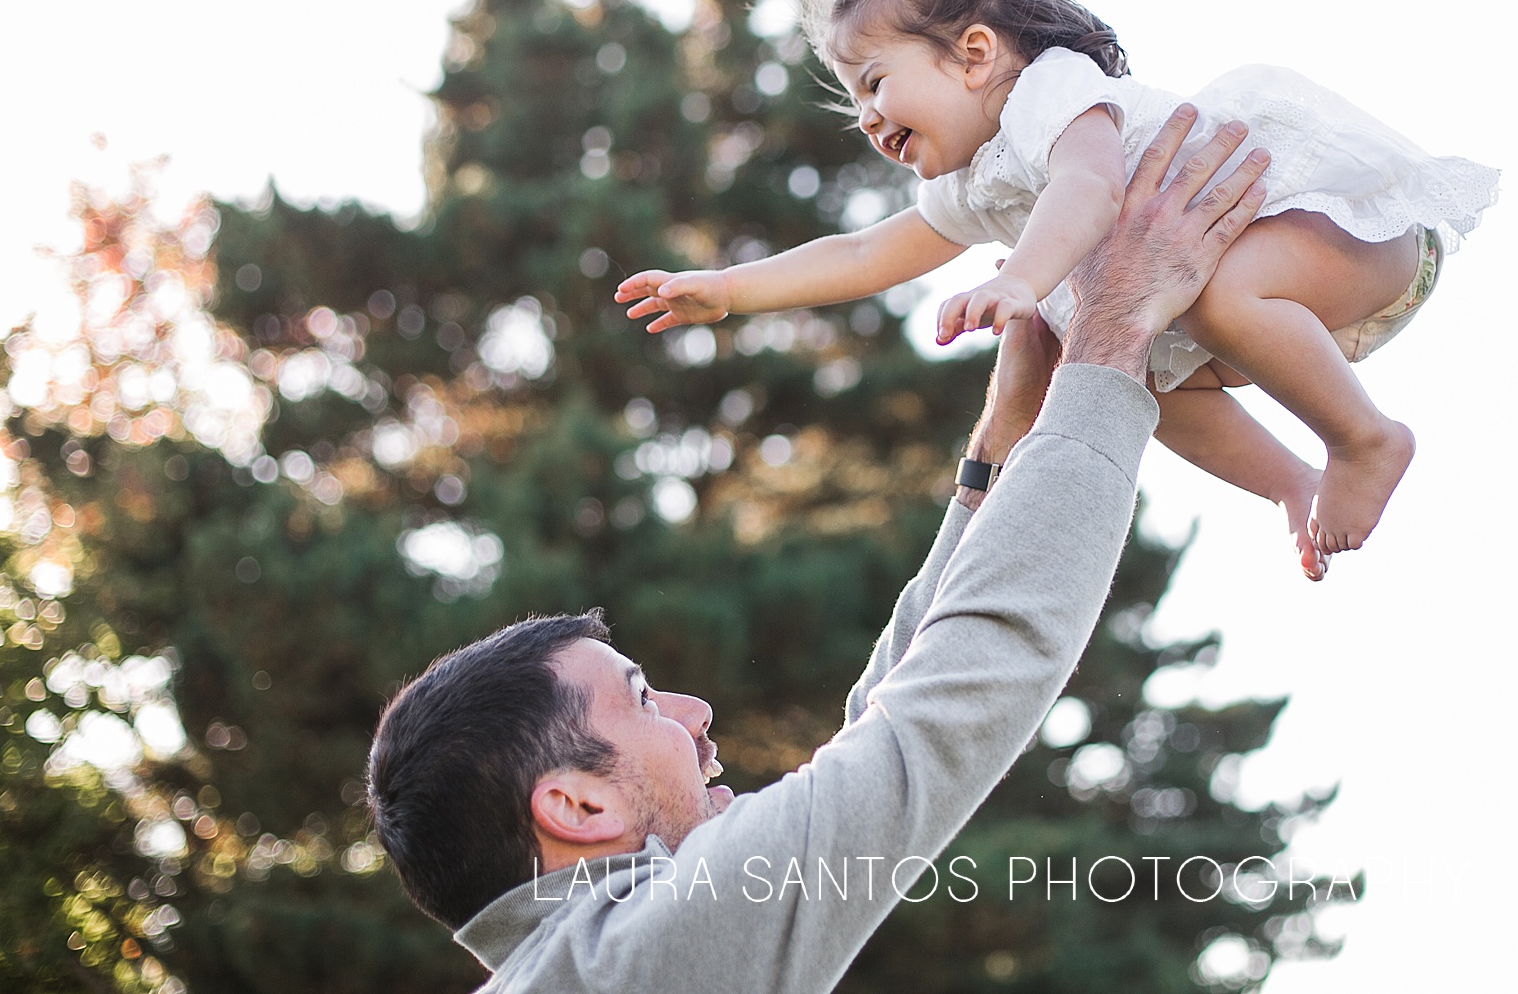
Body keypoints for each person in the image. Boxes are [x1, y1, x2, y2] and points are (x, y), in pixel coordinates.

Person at [366, 109, 1271, 992]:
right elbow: (947, 707)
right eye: (641, 698)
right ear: (576, 805)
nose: (696, 712)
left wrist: (995, 457)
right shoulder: (643, 951)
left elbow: (878, 732)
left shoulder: (605, 959)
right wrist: (1113, 333)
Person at [617, 0, 1498, 581]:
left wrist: (1021, 277)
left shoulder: (1050, 91)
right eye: (854, 102)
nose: (870, 118)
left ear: (972, 54)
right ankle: (1290, 483)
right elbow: (860, 254)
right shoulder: (969, 182)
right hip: (1292, 298)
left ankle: (1367, 438)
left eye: (877, 82)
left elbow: (1090, 189)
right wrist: (731, 288)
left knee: (1211, 300)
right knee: (1129, 373)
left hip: (1344, 234)